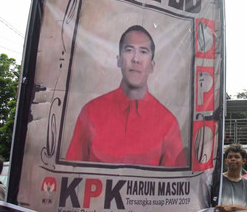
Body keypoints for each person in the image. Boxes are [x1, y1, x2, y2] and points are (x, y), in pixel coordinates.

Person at [66, 25, 185, 167]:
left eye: (143, 52)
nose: (136, 59)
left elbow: (174, 184)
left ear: (152, 66)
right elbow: (70, 174)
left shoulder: (168, 123)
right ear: (119, 60)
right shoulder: (90, 112)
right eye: (129, 50)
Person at [211, 144, 247, 212]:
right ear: (226, 160)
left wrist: (234, 208)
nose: (233, 159)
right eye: (230, 157)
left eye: (237, 157)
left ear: (244, 161)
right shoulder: (217, 180)